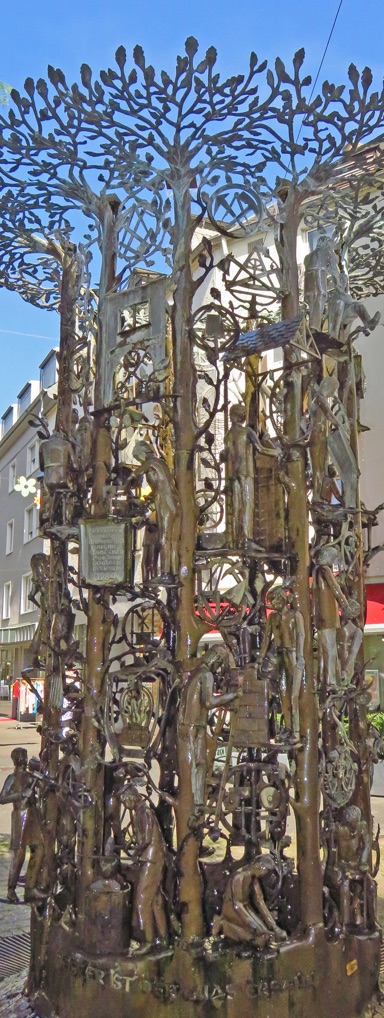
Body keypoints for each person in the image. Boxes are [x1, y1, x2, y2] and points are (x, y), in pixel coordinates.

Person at [178, 647, 239, 809]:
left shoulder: (196, 673)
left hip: (191, 723)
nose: (218, 667)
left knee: (199, 763)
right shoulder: (206, 675)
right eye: (219, 663)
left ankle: (197, 801)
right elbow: (209, 702)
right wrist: (233, 696)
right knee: (198, 764)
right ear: (215, 659)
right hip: (195, 725)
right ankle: (196, 801)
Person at [119, 783, 167, 952]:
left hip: (151, 860)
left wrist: (134, 850)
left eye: (125, 803)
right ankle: (163, 938)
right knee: (156, 901)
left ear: (130, 798)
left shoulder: (143, 813)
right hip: (156, 859)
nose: (125, 807)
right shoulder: (144, 811)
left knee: (142, 901)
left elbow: (145, 839)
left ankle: (148, 941)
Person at [258, 587, 304, 741]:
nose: (274, 603)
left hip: (292, 655)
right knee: (283, 694)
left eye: (276, 599)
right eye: (271, 601)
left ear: (283, 597)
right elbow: (266, 639)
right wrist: (260, 658)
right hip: (280, 656)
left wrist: (300, 656)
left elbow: (301, 635)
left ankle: (297, 732)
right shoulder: (272, 618)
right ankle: (289, 728)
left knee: (294, 695)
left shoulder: (294, 615)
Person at [0, 748, 45, 903]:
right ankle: (11, 890)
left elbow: (41, 790)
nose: (23, 759)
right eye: (20, 757)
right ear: (15, 760)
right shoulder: (12, 778)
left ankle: (30, 886)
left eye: (24, 756)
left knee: (39, 849)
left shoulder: (31, 776)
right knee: (18, 854)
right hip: (20, 816)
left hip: (33, 815)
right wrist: (20, 795)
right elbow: (3, 798)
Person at [212, 855, 287, 945]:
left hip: (245, 907)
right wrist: (252, 924)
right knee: (257, 937)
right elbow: (237, 905)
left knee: (264, 934)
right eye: (266, 871)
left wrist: (274, 926)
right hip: (233, 909)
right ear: (259, 867)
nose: (265, 874)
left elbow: (260, 901)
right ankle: (223, 925)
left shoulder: (253, 877)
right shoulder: (239, 877)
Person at [133, 441, 180, 580]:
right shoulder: (162, 463)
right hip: (175, 502)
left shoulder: (150, 463)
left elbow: (135, 474)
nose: (139, 461)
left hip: (164, 502)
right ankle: (174, 572)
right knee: (173, 540)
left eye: (138, 459)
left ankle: (165, 574)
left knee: (164, 539)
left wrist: (123, 486)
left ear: (142, 454)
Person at [221, 403, 256, 548]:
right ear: (242, 416)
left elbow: (226, 456)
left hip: (232, 476)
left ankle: (235, 540)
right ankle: (246, 539)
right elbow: (260, 448)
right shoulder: (247, 432)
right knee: (247, 505)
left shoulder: (228, 436)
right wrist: (278, 453)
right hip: (246, 473)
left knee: (236, 506)